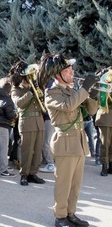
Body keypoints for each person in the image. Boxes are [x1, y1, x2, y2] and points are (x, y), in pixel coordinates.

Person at [37, 53, 99, 227]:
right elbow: (68, 106)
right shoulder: (51, 93)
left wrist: (92, 93)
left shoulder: (73, 91)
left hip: (79, 141)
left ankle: (71, 213)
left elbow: (92, 111)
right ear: (58, 74)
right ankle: (60, 217)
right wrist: (84, 89)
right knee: (64, 183)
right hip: (65, 141)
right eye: (68, 69)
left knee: (76, 184)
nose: (72, 71)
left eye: (72, 68)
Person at [9, 61, 45, 186]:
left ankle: (33, 173)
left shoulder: (35, 87)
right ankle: (24, 174)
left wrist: (39, 93)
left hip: (39, 121)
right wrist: (30, 92)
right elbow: (19, 103)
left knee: (37, 149)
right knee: (27, 150)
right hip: (26, 122)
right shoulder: (16, 89)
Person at [0, 77, 17, 177]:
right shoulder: (8, 100)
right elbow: (10, 115)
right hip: (3, 126)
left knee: (0, 148)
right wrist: (15, 114)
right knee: (4, 149)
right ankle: (4, 170)